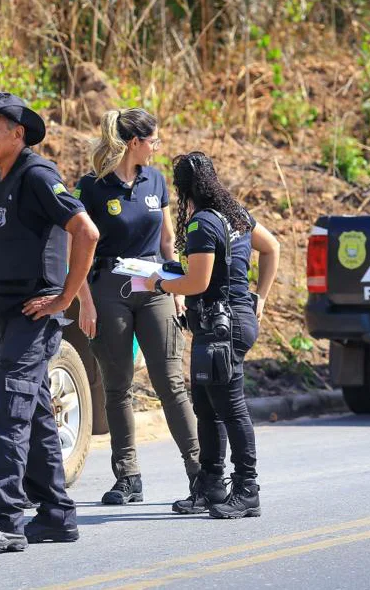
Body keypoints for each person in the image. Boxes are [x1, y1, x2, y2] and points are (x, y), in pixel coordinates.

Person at [0, 92, 99, 552]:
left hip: (34, 320)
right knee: (35, 414)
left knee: (5, 413)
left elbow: (86, 231)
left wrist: (64, 297)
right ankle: (56, 514)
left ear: (18, 135)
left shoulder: (37, 175)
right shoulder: (0, 176)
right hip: (9, 317)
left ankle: (4, 520)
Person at [73, 108, 200, 505]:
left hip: (156, 287)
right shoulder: (92, 188)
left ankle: (201, 472)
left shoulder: (156, 180)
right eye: (153, 140)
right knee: (118, 386)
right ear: (134, 143)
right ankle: (128, 477)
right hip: (109, 290)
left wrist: (178, 288)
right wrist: (85, 302)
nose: (157, 147)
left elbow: (166, 241)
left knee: (171, 383)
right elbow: (77, 246)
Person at [147, 151, 279, 519]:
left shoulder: (202, 223)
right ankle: (211, 485)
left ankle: (247, 488)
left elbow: (197, 282)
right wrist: (261, 298)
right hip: (226, 321)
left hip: (222, 326)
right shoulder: (235, 214)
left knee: (230, 408)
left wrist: (156, 282)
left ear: (183, 187)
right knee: (206, 407)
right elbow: (272, 247)